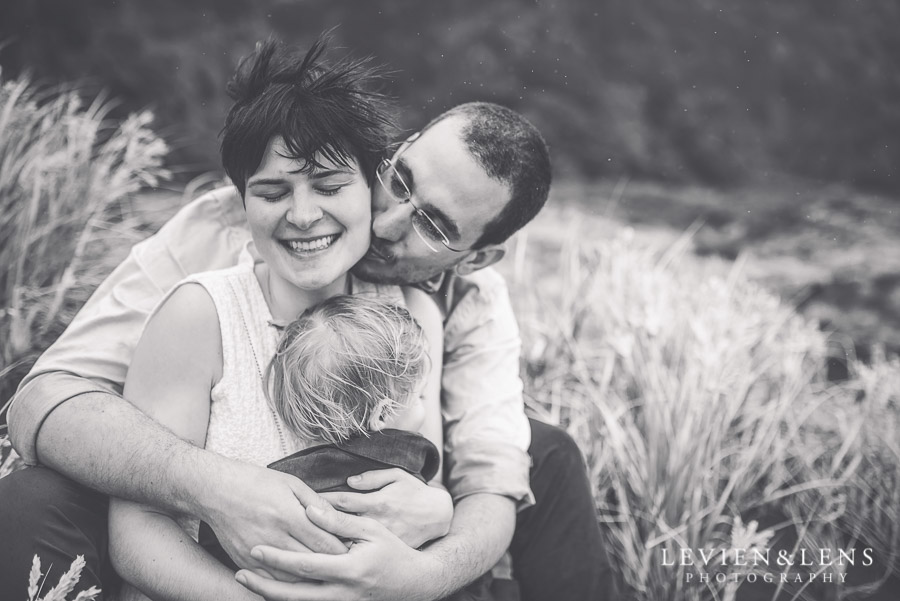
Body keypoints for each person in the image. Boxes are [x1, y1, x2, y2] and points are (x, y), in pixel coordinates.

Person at [0, 36, 606, 601]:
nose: (391, 222)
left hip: (354, 531)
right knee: (36, 495)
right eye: (399, 180)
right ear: (393, 152)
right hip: (186, 488)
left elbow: (483, 479)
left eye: (436, 225)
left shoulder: (448, 306)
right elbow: (45, 399)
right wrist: (218, 488)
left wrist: (424, 559)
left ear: (476, 257)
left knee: (547, 452)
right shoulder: (217, 243)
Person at [112, 292, 444, 600]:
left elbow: (215, 540)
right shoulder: (404, 456)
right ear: (382, 413)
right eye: (420, 397)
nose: (424, 409)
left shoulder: (280, 478)